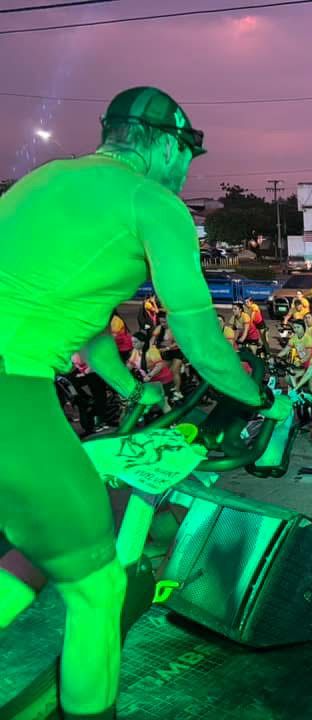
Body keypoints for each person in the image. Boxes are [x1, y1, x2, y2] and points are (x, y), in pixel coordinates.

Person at [0, 86, 290, 720]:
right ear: (161, 143)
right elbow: (198, 332)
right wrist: (259, 397)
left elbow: (90, 327)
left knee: (43, 549)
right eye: (186, 152)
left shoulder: (46, 179)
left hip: (15, 388)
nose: (187, 168)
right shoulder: (152, 201)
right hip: (10, 394)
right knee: (98, 592)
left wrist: (135, 388)